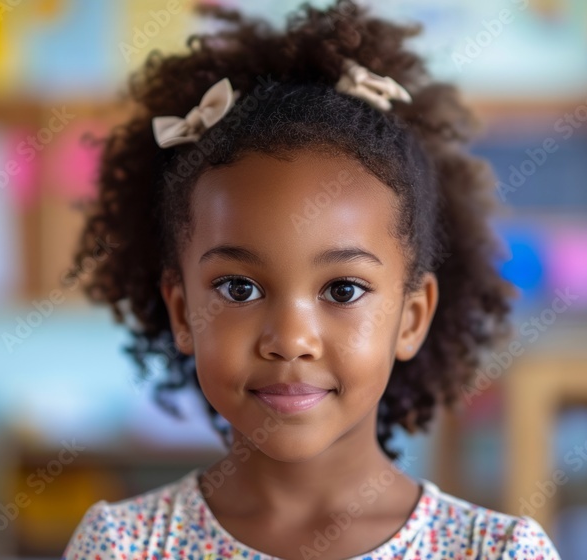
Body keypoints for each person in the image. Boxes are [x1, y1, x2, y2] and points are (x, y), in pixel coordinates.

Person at [61, 1, 560, 558]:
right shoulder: (124, 548)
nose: (291, 339)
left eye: (343, 289)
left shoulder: (496, 551)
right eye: (239, 288)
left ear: (412, 316)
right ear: (182, 312)